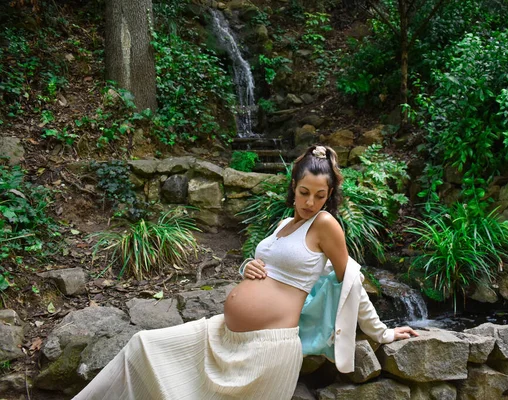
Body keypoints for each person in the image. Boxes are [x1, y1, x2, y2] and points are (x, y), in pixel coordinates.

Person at [74, 145, 418, 400]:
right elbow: (269, 264)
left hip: (266, 347)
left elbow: (351, 281)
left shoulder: (325, 225)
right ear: (293, 186)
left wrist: (383, 333)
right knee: (143, 346)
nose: (310, 202)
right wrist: (247, 266)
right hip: (225, 334)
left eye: (319, 195)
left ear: (329, 197)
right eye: (304, 193)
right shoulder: (285, 223)